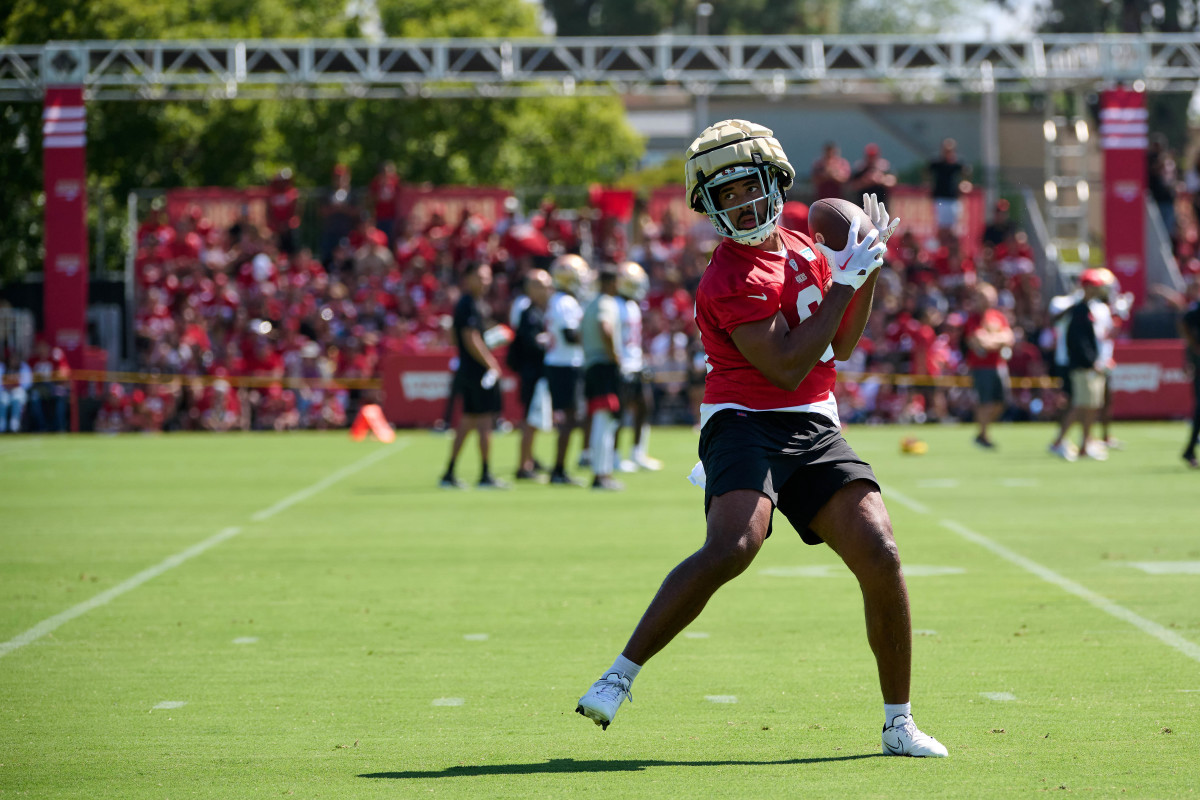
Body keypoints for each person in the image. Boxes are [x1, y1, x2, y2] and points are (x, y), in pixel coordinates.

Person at [574, 119, 947, 758]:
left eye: (750, 188)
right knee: (733, 545)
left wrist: (868, 269)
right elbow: (784, 363)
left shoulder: (803, 247)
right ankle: (620, 673)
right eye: (727, 197)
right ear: (710, 210)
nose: (743, 204)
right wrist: (848, 281)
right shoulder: (729, 276)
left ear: (775, 184)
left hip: (814, 419)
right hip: (743, 415)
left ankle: (898, 723)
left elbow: (842, 344)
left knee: (880, 551)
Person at [440, 262, 508, 490]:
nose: (485, 282)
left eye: (487, 277)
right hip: (476, 372)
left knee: (468, 421)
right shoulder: (468, 303)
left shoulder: (473, 303)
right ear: (468, 278)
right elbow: (470, 338)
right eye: (480, 277)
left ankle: (449, 472)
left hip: (469, 370)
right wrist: (491, 363)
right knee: (484, 422)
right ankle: (485, 474)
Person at [544, 254, 591, 485]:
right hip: (564, 364)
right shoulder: (564, 302)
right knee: (569, 419)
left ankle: (560, 468)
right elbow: (569, 335)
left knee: (572, 418)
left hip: (564, 363)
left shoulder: (560, 300)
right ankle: (558, 469)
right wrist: (590, 334)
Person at [580, 265, 625, 491]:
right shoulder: (605, 303)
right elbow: (605, 327)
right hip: (603, 366)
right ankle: (601, 473)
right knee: (604, 421)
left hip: (592, 365)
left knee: (603, 420)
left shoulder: (590, 303)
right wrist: (614, 355)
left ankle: (602, 471)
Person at [616, 260, 662, 471]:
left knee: (645, 406)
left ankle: (637, 452)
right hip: (622, 365)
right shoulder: (614, 305)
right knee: (619, 411)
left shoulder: (633, 305)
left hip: (636, 363)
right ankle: (615, 455)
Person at [508, 269, 554, 480]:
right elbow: (531, 342)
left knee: (535, 419)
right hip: (532, 373)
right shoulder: (529, 313)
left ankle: (530, 459)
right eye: (542, 286)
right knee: (530, 419)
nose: (547, 290)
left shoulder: (540, 311)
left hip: (536, 373)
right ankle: (523, 465)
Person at [963, 283, 1013, 449]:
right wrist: (998, 339)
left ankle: (982, 432)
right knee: (985, 401)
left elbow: (1009, 338)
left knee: (1002, 402)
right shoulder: (973, 318)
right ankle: (983, 435)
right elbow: (979, 341)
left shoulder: (998, 316)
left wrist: (992, 339)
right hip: (981, 367)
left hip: (999, 365)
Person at [928, 138, 972, 239]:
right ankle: (941, 250)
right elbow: (927, 174)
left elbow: (967, 174)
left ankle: (950, 249)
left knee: (953, 228)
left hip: (953, 199)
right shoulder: (937, 164)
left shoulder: (957, 164)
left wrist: (964, 184)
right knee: (941, 226)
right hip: (940, 198)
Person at [1181, 285, 1200, 468]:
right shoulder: (1195, 310)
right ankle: (1189, 450)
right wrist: (1194, 348)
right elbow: (1185, 324)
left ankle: (1189, 450)